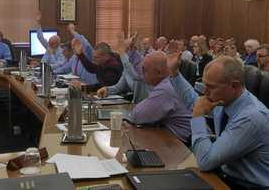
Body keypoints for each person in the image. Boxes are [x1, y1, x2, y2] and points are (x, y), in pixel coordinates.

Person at [169, 54, 269, 189]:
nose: (205, 92)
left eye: (211, 87)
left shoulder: (251, 117)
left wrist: (198, 116)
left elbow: (205, 161)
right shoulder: (225, 100)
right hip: (226, 177)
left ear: (234, 86)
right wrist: (175, 75)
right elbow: (196, 103)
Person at [128, 51, 192, 144]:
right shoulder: (168, 82)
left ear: (158, 72)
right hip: (179, 138)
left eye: (144, 70)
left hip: (185, 147)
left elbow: (137, 116)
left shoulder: (165, 89)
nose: (142, 74)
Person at [97, 35, 148, 103]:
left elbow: (136, 77)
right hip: (135, 105)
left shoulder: (142, 62)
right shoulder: (127, 64)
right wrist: (107, 89)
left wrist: (122, 54)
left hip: (146, 105)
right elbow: (119, 87)